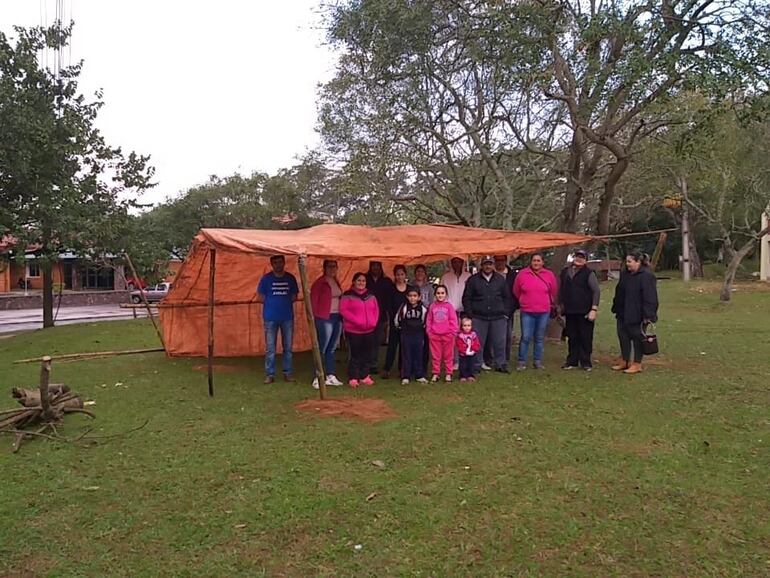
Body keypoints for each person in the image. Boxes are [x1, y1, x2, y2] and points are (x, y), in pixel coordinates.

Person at [462, 255, 513, 373]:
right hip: (479, 317)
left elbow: (507, 298)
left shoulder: (500, 279)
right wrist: (470, 315)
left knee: (500, 342)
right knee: (478, 343)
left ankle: (501, 364)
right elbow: (467, 298)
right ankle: (477, 365)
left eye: (490, 264)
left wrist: (506, 313)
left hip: (498, 317)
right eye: (486, 264)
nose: (488, 266)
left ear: (493, 265)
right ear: (482, 265)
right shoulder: (473, 280)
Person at [611, 251, 659, 374]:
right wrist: (616, 307)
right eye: (626, 262)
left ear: (638, 262)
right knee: (623, 336)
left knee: (638, 338)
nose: (627, 264)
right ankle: (624, 360)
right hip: (623, 312)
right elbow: (619, 292)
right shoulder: (625, 274)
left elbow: (650, 296)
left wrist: (648, 315)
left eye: (630, 261)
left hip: (638, 314)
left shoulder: (646, 276)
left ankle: (637, 363)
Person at [256, 255, 299, 384]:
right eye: (275, 262)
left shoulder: (290, 278)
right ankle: (270, 374)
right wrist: (272, 304)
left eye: (280, 262)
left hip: (287, 318)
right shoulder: (266, 279)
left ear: (284, 263)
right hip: (270, 318)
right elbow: (260, 297)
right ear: (271, 264)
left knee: (288, 347)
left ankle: (288, 373)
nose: (278, 264)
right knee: (270, 348)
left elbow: (294, 296)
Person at [513, 253, 558, 370]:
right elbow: (516, 290)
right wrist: (524, 301)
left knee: (539, 337)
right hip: (527, 311)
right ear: (531, 262)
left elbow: (553, 291)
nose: (536, 263)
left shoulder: (549, 275)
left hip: (543, 311)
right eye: (534, 260)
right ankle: (522, 361)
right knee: (526, 337)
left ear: (542, 262)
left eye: (538, 261)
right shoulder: (522, 274)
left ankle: (537, 361)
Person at [558, 249, 600, 371]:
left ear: (586, 260)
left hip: (585, 311)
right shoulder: (565, 272)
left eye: (582, 257)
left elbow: (596, 291)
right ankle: (572, 361)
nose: (579, 259)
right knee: (572, 336)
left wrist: (594, 309)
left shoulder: (589, 273)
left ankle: (586, 362)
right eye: (577, 256)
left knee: (585, 337)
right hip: (570, 310)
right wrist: (560, 305)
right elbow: (561, 289)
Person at [339, 272, 380, 387]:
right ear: (354, 282)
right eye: (359, 280)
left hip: (369, 330)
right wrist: (356, 321)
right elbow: (343, 310)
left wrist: (373, 322)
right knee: (355, 355)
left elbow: (376, 310)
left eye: (363, 281)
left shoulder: (371, 296)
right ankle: (353, 376)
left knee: (367, 354)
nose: (361, 283)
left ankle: (364, 375)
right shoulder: (348, 295)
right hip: (353, 330)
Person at [310, 259, 344, 388]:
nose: (332, 269)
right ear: (324, 268)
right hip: (324, 317)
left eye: (334, 266)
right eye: (329, 266)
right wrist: (314, 317)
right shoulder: (320, 282)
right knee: (322, 347)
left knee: (332, 348)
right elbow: (313, 301)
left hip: (337, 316)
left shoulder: (336, 281)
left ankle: (330, 375)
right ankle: (317, 376)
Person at [483, 255, 518, 368]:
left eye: (501, 260)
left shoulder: (512, 275)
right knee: (489, 337)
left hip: (505, 312)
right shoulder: (487, 277)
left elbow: (511, 295)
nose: (499, 263)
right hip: (489, 311)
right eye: (497, 260)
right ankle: (489, 359)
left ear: (505, 261)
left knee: (505, 336)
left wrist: (508, 311)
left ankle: (504, 359)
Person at [394, 286, 428, 385]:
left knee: (418, 354)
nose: (412, 298)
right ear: (407, 296)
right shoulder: (403, 307)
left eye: (415, 296)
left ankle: (419, 375)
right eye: (410, 296)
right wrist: (400, 328)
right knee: (406, 354)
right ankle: (406, 376)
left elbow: (424, 321)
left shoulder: (423, 308)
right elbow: (397, 320)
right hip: (406, 334)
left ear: (419, 297)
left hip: (418, 335)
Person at [365, 261, 394, 373]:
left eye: (377, 266)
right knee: (367, 340)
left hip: (381, 315)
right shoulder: (365, 279)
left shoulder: (386, 281)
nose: (375, 268)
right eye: (373, 266)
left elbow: (390, 298)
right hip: (366, 315)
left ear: (381, 267)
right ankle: (365, 363)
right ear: (370, 267)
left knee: (376, 340)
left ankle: (373, 364)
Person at [426, 284, 458, 382]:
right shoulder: (432, 306)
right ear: (435, 294)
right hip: (435, 335)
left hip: (448, 335)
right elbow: (429, 320)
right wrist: (429, 332)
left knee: (448, 356)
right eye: (438, 293)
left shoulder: (449, 307)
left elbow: (453, 320)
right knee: (436, 356)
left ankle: (448, 373)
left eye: (442, 293)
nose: (440, 295)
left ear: (446, 294)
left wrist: (452, 333)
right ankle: (436, 373)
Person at [382, 264, 409, 378]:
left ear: (405, 275)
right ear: (394, 276)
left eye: (402, 274)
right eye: (398, 274)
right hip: (394, 321)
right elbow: (388, 305)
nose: (400, 276)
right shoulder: (391, 289)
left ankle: (402, 369)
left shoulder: (410, 289)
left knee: (404, 346)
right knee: (392, 346)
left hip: (407, 322)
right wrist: (393, 319)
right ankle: (387, 369)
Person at [455, 315, 481, 382]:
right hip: (463, 354)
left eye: (468, 325)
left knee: (471, 364)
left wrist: (474, 349)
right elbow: (458, 344)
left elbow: (476, 343)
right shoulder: (460, 335)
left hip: (472, 353)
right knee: (463, 365)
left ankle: (470, 375)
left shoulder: (473, 334)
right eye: (465, 325)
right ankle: (462, 376)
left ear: (471, 326)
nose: (467, 327)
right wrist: (463, 350)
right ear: (462, 326)